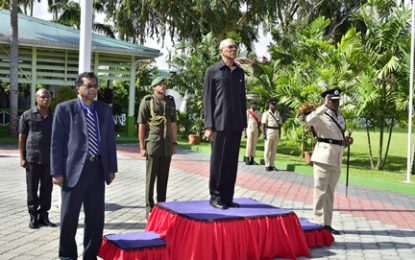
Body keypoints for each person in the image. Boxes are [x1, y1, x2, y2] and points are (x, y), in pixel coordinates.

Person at [51, 72, 117, 259]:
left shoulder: (104, 110)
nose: (93, 89)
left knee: (95, 219)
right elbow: (56, 143)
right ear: (78, 88)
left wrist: (111, 168)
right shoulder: (65, 109)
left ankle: (90, 255)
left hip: (97, 170)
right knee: (69, 218)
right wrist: (56, 171)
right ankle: (67, 256)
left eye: (95, 85)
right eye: (88, 85)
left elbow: (110, 141)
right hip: (73, 171)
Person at [203, 38, 247, 210]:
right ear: (221, 50)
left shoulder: (239, 73)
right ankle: (215, 196)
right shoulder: (213, 71)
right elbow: (207, 99)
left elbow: (242, 99)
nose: (234, 49)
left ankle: (228, 197)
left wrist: (244, 123)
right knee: (218, 162)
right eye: (230, 47)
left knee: (231, 162)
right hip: (219, 124)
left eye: (236, 46)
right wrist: (209, 126)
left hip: (236, 124)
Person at [305, 88, 353, 235]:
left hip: (337, 157)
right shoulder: (320, 114)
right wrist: (323, 107)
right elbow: (308, 121)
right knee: (320, 191)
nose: (336, 102)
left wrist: (346, 141)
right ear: (327, 100)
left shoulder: (340, 115)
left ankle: (327, 224)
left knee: (330, 192)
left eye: (337, 100)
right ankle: (317, 222)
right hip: (323, 157)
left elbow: (338, 134)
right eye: (332, 100)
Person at [137, 76, 177, 218]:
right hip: (153, 144)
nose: (163, 86)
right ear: (154, 87)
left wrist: (174, 143)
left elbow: (173, 123)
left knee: (163, 178)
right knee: (151, 178)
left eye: (164, 84)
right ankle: (149, 207)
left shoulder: (170, 101)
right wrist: (142, 146)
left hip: (166, 145)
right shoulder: (147, 101)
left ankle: (162, 206)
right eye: (159, 84)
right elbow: (141, 124)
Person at [18, 88, 56, 229]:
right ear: (36, 99)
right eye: (42, 97)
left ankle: (44, 216)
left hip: (49, 160)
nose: (46, 99)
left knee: (47, 189)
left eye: (48, 97)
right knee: (32, 189)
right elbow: (22, 137)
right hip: (32, 159)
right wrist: (22, 157)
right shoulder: (27, 115)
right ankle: (33, 216)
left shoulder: (54, 116)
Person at [261, 99, 283, 172]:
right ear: (269, 105)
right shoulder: (266, 113)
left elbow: (279, 124)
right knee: (267, 149)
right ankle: (267, 165)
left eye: (275, 104)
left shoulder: (278, 113)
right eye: (272, 104)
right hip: (269, 131)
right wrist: (264, 134)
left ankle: (272, 165)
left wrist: (280, 133)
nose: (274, 105)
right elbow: (263, 125)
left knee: (274, 150)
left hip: (276, 131)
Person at [245, 101, 262, 165]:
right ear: (250, 105)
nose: (254, 105)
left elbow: (259, 123)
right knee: (249, 144)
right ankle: (247, 158)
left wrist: (260, 131)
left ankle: (252, 159)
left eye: (255, 104)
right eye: (252, 104)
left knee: (254, 144)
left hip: (256, 129)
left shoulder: (259, 113)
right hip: (249, 128)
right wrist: (245, 132)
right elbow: (245, 122)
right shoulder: (247, 112)